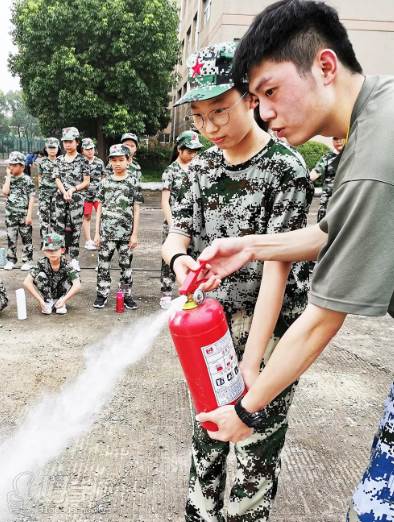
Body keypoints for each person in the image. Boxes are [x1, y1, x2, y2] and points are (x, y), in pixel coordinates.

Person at [193, 3, 394, 522]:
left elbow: (321, 319)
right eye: (256, 99)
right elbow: (331, 230)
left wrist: (244, 408)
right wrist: (253, 246)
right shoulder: (377, 113)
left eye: (271, 92)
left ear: (325, 66)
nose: (264, 113)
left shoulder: (371, 162)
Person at [162, 41, 313, 521]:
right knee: (206, 439)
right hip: (209, 330)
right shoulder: (199, 169)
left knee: (252, 449)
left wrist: (253, 364)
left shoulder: (285, 169)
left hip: (266, 334)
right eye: (200, 118)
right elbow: (176, 234)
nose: (210, 128)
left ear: (249, 97)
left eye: (220, 111)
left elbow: (278, 266)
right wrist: (179, 259)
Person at [93, 144, 141, 310]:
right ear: (109, 162)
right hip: (106, 233)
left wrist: (134, 234)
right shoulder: (105, 183)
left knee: (126, 267)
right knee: (103, 266)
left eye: (121, 159)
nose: (117, 163)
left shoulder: (133, 182)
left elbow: (136, 208)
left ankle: (126, 295)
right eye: (114, 160)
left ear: (129, 161)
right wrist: (97, 232)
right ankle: (102, 294)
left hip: (126, 234)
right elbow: (99, 207)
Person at [160, 130, 203, 309]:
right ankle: (166, 293)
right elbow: (165, 201)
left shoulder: (199, 169)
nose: (193, 155)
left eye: (195, 151)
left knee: (193, 259)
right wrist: (173, 226)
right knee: (170, 260)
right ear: (179, 149)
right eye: (189, 151)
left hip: (195, 224)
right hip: (174, 224)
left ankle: (190, 292)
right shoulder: (171, 171)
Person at [54, 127, 90, 272]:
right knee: (59, 228)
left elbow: (86, 181)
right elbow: (56, 178)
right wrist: (64, 192)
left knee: (75, 229)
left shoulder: (83, 160)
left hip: (76, 199)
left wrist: (72, 189)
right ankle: (60, 259)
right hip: (61, 198)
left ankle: (74, 259)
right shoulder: (59, 160)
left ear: (77, 142)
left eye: (70, 142)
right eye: (65, 142)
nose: (67, 145)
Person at [23, 232, 81, 315]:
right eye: (49, 250)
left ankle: (60, 301)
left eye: (55, 250)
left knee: (73, 278)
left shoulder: (67, 264)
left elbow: (77, 285)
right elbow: (27, 282)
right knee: (40, 276)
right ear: (44, 251)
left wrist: (64, 299)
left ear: (62, 250)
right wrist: (40, 300)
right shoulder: (42, 263)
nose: (52, 253)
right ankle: (48, 301)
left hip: (62, 293)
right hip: (48, 293)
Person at [2, 151, 35, 271]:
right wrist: (9, 177)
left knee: (26, 238)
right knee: (11, 238)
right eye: (10, 164)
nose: (11, 167)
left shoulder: (27, 179)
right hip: (10, 214)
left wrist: (29, 215)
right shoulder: (9, 178)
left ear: (22, 166)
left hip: (23, 214)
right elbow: (5, 192)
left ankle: (28, 260)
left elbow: (31, 198)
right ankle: (11, 260)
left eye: (14, 165)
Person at [310, 136, 345, 221]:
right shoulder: (327, 158)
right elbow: (314, 173)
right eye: (335, 138)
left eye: (341, 138)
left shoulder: (353, 156)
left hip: (346, 202)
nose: (338, 141)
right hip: (328, 204)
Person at [81, 138, 105, 251]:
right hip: (85, 195)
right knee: (87, 216)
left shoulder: (99, 162)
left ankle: (100, 238)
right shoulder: (81, 162)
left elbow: (104, 177)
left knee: (101, 216)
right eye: (87, 149)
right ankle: (88, 240)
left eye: (92, 148)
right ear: (83, 150)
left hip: (98, 195)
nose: (90, 151)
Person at [38, 137, 60, 243]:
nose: (52, 150)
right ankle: (45, 242)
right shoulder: (42, 162)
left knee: (56, 219)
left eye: (54, 147)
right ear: (46, 149)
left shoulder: (61, 161)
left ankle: (54, 243)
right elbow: (39, 176)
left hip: (57, 194)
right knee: (44, 220)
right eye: (49, 147)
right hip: (44, 195)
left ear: (58, 148)